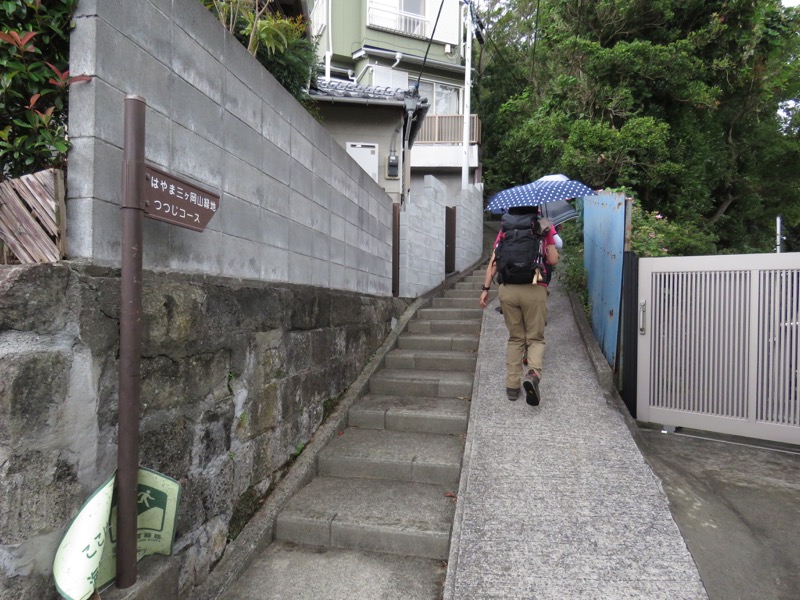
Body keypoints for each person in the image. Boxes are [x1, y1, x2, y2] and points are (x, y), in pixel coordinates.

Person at [479, 206, 559, 405]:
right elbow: (553, 259)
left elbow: (494, 262)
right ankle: (532, 374)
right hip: (534, 287)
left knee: (515, 338)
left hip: (508, 290)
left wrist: (485, 289)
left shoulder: (505, 228)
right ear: (534, 208)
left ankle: (512, 387)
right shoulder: (543, 225)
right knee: (535, 338)